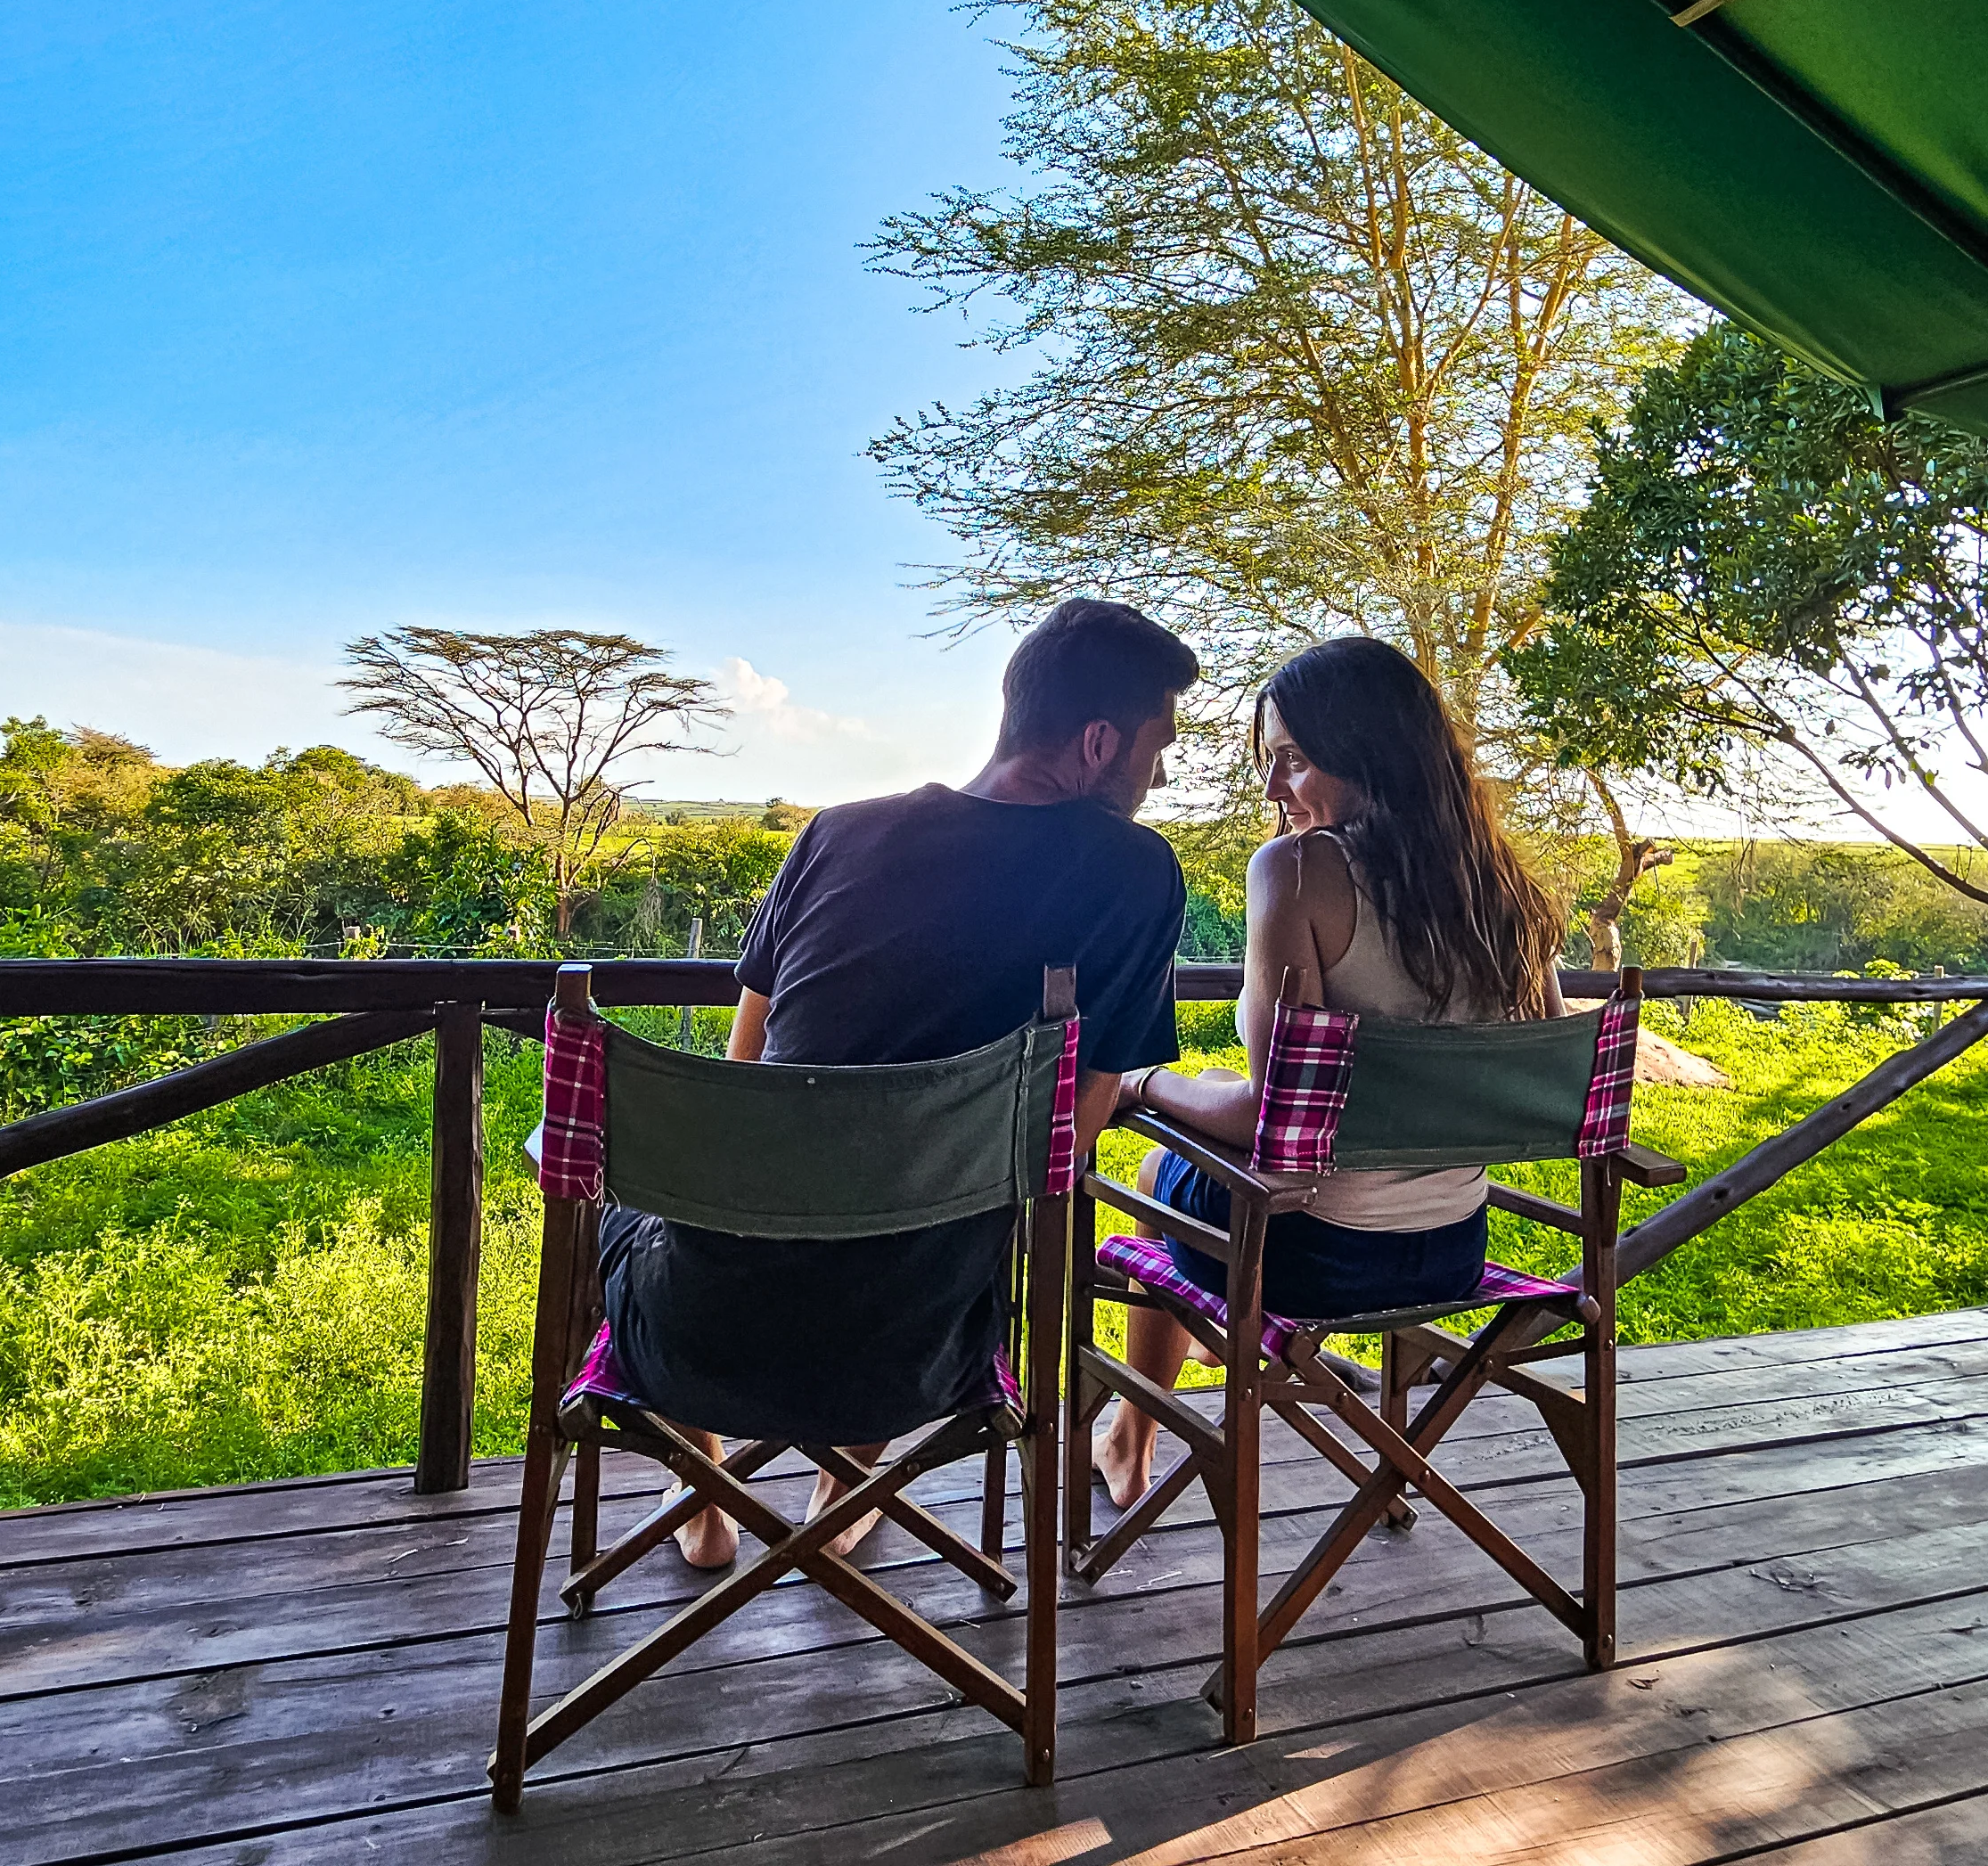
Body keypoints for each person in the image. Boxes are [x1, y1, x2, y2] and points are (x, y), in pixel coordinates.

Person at [600, 595, 1198, 1567]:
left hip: (696, 1335)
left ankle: (700, 1491)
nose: (1159, 771)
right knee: (928, 1226)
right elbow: (1066, 1140)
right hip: (924, 1348)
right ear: (1097, 742)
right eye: (1155, 745)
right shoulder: (1135, 875)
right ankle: (846, 1489)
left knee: (624, 1198)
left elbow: (740, 1074)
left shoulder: (835, 833)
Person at [1097, 634, 1565, 1512]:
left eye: (1295, 761)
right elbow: (1530, 1075)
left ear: (1372, 756)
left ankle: (1134, 1433)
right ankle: (1268, 1401)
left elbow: (1275, 1122)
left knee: (1161, 1166)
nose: (1275, 791)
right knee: (1197, 1166)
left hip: (1318, 1262)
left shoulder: (1301, 870)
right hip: (1453, 1249)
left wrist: (1146, 1084)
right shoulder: (1507, 890)